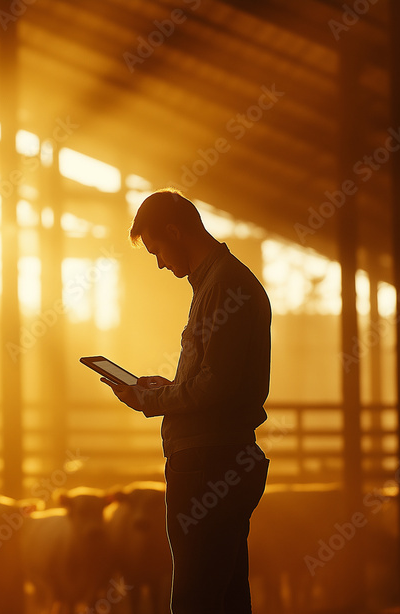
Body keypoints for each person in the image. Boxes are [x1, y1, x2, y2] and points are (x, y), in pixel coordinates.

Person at [101, 188, 271, 613]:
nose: (159, 262)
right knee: (225, 594)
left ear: (175, 231)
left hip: (207, 464)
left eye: (157, 249)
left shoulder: (223, 285)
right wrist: (171, 386)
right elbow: (211, 379)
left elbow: (215, 387)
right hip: (218, 458)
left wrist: (149, 399)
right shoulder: (219, 283)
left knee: (195, 598)